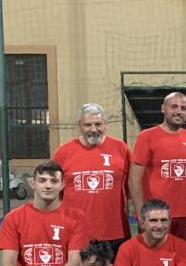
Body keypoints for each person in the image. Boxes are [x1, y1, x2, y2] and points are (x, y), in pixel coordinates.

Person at [53, 103, 132, 254]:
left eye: (98, 124)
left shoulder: (121, 149)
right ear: (80, 126)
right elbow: (56, 193)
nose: (93, 129)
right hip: (76, 235)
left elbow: (130, 186)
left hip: (115, 233)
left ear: (105, 125)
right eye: (88, 125)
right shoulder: (63, 152)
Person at [128, 91, 186, 241]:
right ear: (163, 108)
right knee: (151, 261)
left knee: (184, 260)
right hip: (155, 215)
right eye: (174, 106)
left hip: (184, 215)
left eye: (183, 108)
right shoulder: (146, 137)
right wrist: (141, 213)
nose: (179, 111)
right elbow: (134, 179)